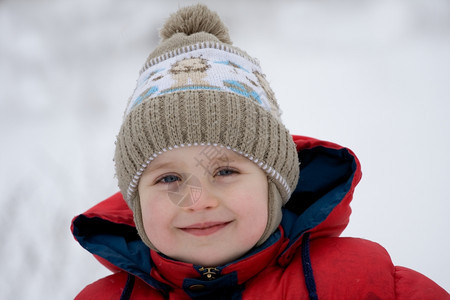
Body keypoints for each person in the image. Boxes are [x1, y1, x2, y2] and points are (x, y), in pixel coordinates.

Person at [71, 4, 449, 299]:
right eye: (168, 178)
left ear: (274, 184)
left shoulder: (367, 285)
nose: (197, 200)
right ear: (135, 203)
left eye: (225, 172)